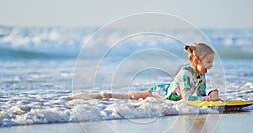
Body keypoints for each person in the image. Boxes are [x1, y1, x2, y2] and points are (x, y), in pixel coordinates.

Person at [72, 43, 220, 101]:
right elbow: (187, 100)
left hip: (169, 96)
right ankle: (101, 95)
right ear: (195, 62)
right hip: (160, 93)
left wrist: (209, 96)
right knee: (130, 97)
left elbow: (200, 96)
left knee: (133, 97)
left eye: (212, 62)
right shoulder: (186, 73)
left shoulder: (201, 75)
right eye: (208, 62)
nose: (211, 65)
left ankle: (104, 95)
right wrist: (207, 100)